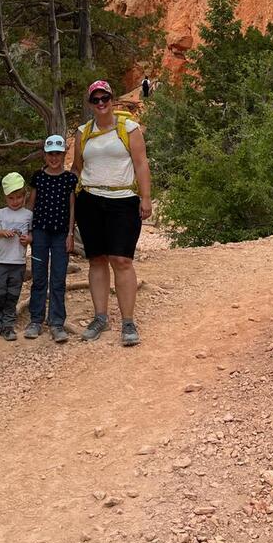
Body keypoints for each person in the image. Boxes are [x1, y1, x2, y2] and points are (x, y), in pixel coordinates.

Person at [72, 79, 152, 347]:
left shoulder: (129, 128)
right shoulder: (82, 132)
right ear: (90, 103)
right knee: (97, 259)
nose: (101, 103)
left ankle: (128, 321)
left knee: (122, 260)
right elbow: (77, 168)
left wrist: (146, 198)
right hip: (91, 200)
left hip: (123, 199)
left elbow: (141, 164)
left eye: (104, 98)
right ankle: (101, 317)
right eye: (95, 99)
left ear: (111, 98)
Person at [25, 135, 77, 343]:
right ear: (45, 155)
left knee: (58, 278)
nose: (54, 158)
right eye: (50, 154)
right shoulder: (38, 177)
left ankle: (56, 322)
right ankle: (36, 320)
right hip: (39, 232)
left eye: (58, 154)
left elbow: (72, 208)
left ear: (63, 154)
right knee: (38, 277)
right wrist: (26, 230)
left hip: (61, 233)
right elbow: (31, 204)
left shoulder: (69, 179)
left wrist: (71, 234)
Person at [0, 172, 32, 342]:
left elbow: (32, 235)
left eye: (19, 197)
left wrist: (28, 239)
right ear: (6, 197)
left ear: (24, 195)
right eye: (11, 198)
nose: (15, 201)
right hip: (1, 263)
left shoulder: (28, 215)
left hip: (18, 263)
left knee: (12, 296)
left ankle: (8, 326)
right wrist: (1, 232)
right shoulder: (1, 213)